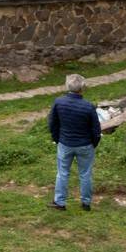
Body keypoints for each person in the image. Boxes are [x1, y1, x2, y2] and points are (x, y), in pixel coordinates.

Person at [48, 74, 101, 211]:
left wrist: (57, 139)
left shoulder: (59, 102)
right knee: (85, 174)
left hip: (65, 143)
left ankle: (60, 202)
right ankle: (86, 203)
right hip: (85, 145)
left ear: (67, 86)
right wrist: (93, 143)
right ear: (82, 88)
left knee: (62, 172)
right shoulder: (88, 107)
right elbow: (96, 129)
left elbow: (52, 123)